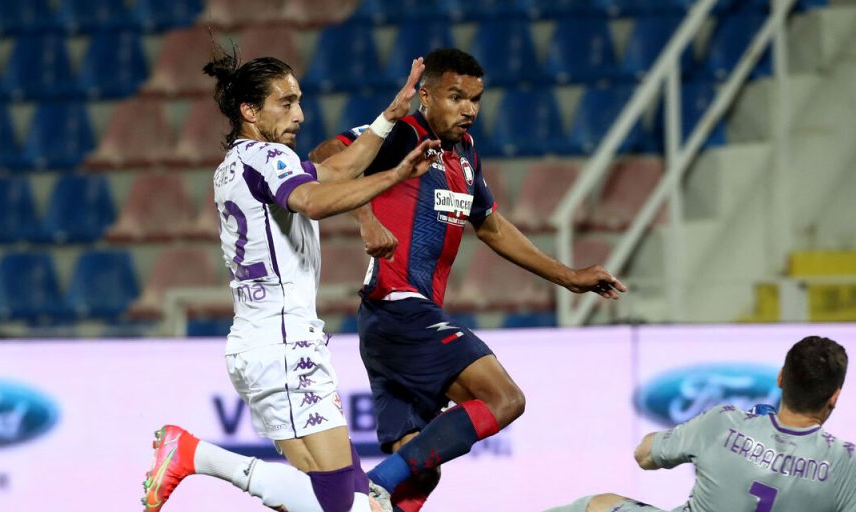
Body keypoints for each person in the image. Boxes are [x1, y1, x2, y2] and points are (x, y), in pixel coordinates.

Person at [308, 48, 627, 511]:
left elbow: (492, 225)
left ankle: (367, 494)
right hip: (397, 307)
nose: (469, 109)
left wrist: (569, 277)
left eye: (475, 98)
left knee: (420, 472)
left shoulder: (466, 155)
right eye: (456, 97)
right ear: (426, 95)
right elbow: (327, 153)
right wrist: (365, 218)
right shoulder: (403, 134)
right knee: (504, 399)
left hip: (395, 322)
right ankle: (371, 484)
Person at [141, 46, 439, 512]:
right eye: (286, 102)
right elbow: (315, 201)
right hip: (284, 343)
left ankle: (194, 453)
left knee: (343, 498)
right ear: (249, 111)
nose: (299, 113)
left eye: (299, 100)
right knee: (348, 505)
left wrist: (388, 118)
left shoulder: (239, 164)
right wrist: (396, 175)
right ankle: (197, 454)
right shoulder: (268, 157)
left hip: (258, 342)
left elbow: (337, 169)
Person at [545, 336, 856, 512]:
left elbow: (644, 455)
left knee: (598, 504)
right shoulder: (846, 463)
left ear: (781, 378)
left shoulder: (724, 424)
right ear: (835, 397)